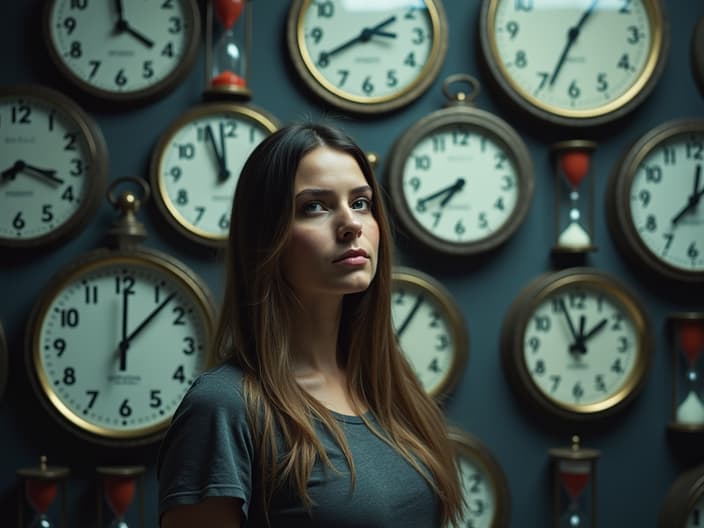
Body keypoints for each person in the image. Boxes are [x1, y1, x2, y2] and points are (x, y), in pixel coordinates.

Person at [157, 123, 464, 527]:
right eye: (314, 207)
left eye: (361, 203)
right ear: (267, 237)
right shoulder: (223, 407)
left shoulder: (391, 388)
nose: (351, 224)